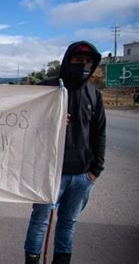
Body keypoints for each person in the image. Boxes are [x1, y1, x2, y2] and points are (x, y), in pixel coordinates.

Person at [24, 41, 106, 264]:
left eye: (89, 61)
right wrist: (49, 119)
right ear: (68, 61)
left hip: (82, 176)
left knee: (69, 222)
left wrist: (95, 171)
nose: (84, 65)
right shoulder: (48, 88)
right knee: (40, 221)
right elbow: (23, 123)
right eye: (78, 60)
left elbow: (99, 133)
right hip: (50, 175)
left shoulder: (94, 94)